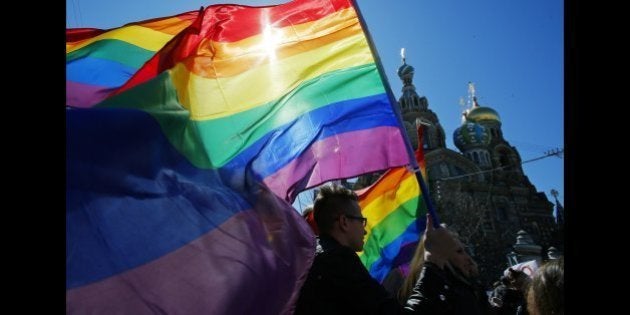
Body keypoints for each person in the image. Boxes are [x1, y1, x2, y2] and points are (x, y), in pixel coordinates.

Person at [294, 184, 461, 314]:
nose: (365, 230)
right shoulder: (338, 261)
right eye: (361, 220)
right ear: (344, 222)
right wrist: (433, 261)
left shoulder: (311, 259)